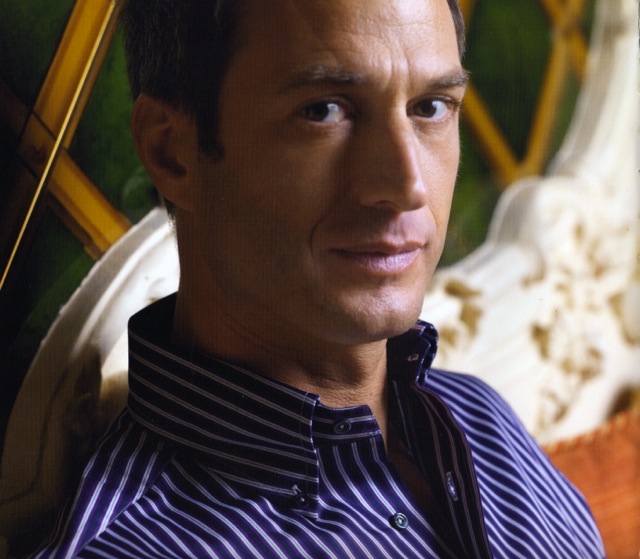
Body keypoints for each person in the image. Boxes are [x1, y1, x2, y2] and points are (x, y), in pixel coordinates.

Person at [32, 0, 604, 557]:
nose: (408, 187)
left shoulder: (482, 421)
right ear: (172, 151)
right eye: (325, 110)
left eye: (430, 107)